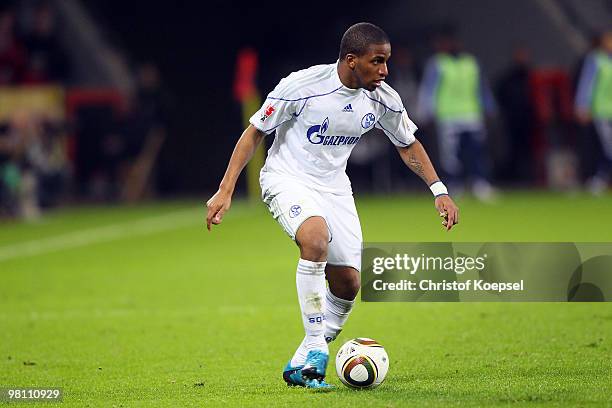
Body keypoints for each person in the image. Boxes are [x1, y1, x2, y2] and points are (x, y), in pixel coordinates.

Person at [206, 22, 458, 388]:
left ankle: (302, 359)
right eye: (378, 61)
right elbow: (256, 130)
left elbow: (408, 143)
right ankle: (315, 349)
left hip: (334, 188)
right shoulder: (302, 86)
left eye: (386, 61)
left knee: (349, 282)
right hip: (286, 178)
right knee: (315, 239)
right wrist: (225, 189)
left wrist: (439, 190)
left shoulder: (383, 98)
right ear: (351, 60)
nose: (385, 70)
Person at [418, 27, 496, 200]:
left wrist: (489, 107)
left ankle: (480, 183)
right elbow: (429, 90)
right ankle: (454, 184)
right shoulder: (437, 63)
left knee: (476, 150)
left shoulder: (471, 63)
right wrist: (426, 112)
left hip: (471, 114)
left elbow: (481, 87)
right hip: (448, 116)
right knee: (451, 155)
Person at [575, 30, 612, 194]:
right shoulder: (595, 60)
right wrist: (582, 105)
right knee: (608, 146)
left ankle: (601, 177)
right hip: (602, 111)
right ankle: (600, 178)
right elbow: (586, 84)